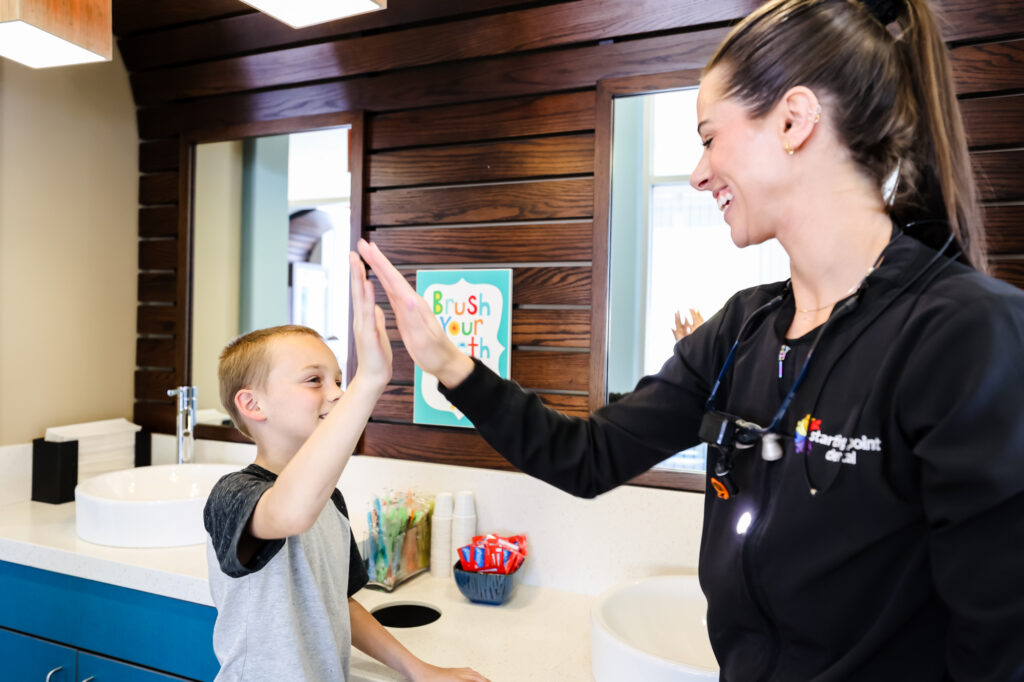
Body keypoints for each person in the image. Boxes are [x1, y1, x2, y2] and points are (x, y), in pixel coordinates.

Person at [356, 0, 1024, 679]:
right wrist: (449, 365)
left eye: (709, 137)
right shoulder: (743, 330)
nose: (699, 173)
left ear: (793, 120)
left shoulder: (965, 333)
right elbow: (587, 456)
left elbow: (999, 644)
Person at [203, 254, 489, 682]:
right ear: (252, 404)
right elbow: (290, 513)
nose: (337, 394)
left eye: (340, 379)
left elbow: (338, 602)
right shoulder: (232, 496)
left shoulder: (329, 500)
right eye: (315, 380)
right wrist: (369, 380)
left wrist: (419, 669)